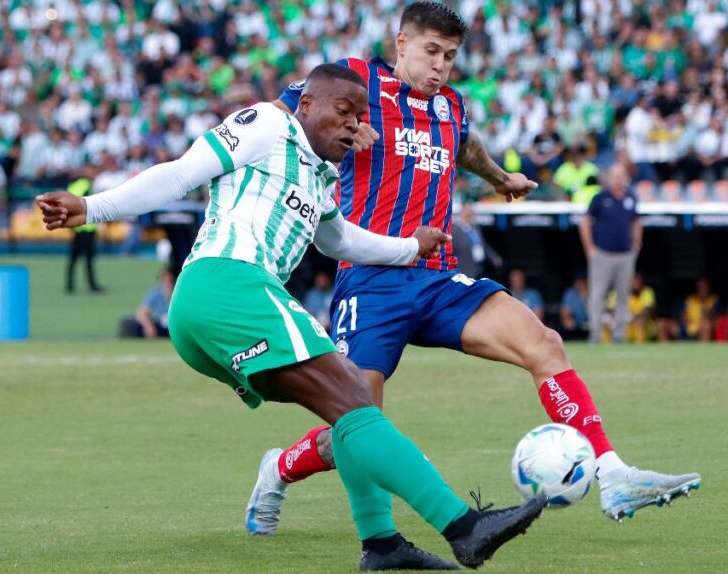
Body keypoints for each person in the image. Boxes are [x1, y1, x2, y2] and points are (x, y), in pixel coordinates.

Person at [35, 64, 546, 572]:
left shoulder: (321, 173)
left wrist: (409, 246)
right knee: (353, 399)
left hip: (220, 306)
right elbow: (180, 173)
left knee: (349, 405)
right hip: (226, 282)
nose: (352, 126)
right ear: (305, 105)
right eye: (341, 112)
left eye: (359, 117)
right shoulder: (264, 125)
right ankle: (463, 527)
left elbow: (339, 240)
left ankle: (383, 544)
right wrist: (90, 207)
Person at [258, 2, 699, 535]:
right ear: (401, 45)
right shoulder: (356, 82)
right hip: (372, 278)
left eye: (450, 56)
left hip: (440, 277)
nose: (441, 65)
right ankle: (280, 468)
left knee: (545, 344)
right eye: (430, 51)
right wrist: (335, 128)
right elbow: (283, 118)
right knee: (358, 424)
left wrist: (498, 177)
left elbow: (463, 146)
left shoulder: (451, 105)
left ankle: (613, 474)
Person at [580, 163, 642, 344]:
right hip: (602, 254)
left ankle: (619, 334)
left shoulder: (631, 197)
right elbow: (585, 222)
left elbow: (636, 221)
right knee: (598, 295)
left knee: (623, 296)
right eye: (615, 175)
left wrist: (636, 244)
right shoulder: (600, 198)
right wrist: (589, 248)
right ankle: (595, 334)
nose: (618, 179)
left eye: (621, 175)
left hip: (625, 255)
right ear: (609, 177)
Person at [65, 176, 104, 294]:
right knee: (88, 259)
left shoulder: (70, 188)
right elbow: (91, 205)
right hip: (88, 228)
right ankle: (92, 285)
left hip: (77, 229)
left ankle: (69, 285)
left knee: (74, 258)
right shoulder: (86, 185)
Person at [119, 267, 175, 339]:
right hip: (160, 327)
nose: (168, 282)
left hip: (174, 326)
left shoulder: (178, 293)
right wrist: (149, 326)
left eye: (170, 280)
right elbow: (141, 313)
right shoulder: (155, 294)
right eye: (165, 280)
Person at [450, 203, 501, 279]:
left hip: (480, 268)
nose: (471, 217)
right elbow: (451, 251)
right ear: (461, 215)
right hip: (465, 271)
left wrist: (494, 257)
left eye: (472, 214)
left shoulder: (476, 229)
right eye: (468, 215)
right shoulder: (455, 232)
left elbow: (484, 246)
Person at [559, 276, 589, 340]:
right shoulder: (570, 293)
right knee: (568, 324)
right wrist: (569, 319)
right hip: (577, 323)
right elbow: (565, 313)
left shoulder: (595, 292)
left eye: (583, 281)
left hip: (593, 322)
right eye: (578, 281)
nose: (580, 284)